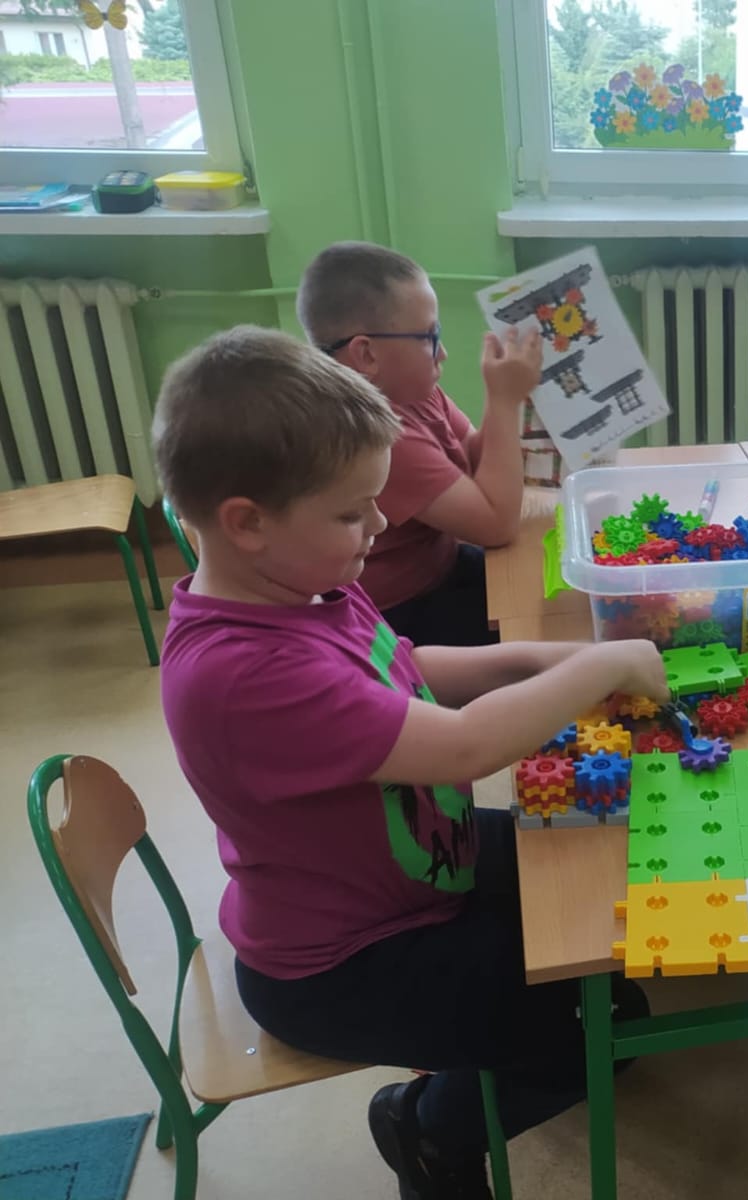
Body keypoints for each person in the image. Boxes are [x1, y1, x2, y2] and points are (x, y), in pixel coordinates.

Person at [153, 326, 669, 1199]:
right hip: (344, 963)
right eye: (353, 511)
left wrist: (547, 659)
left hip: (420, 865)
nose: (383, 524)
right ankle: (427, 1130)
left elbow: (408, 664)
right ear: (246, 522)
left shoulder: (302, 583)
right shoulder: (243, 674)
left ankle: (494, 1055)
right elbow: (466, 745)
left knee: (601, 891)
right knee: (586, 1036)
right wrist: (600, 667)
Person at [298, 241, 535, 647]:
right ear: (366, 354)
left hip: (442, 569)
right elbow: (496, 526)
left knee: (543, 581)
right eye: (429, 337)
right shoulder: (368, 431)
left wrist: (511, 396)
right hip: (399, 616)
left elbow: (476, 459)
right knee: (539, 627)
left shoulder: (411, 390)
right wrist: (504, 400)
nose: (443, 353)